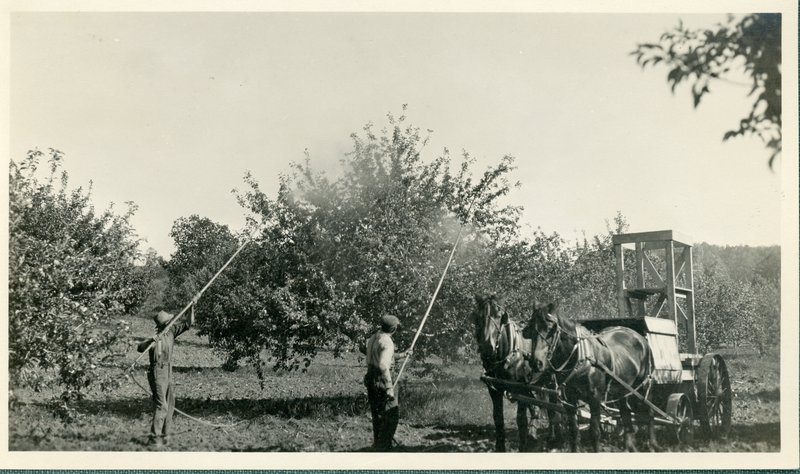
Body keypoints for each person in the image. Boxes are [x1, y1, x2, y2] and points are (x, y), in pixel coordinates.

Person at [137, 306, 195, 447]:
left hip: (168, 370)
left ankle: (165, 436)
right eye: (170, 321)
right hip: (157, 372)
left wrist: (192, 307)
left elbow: (188, 324)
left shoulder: (171, 333)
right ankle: (154, 439)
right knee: (161, 405)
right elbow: (139, 348)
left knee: (170, 405)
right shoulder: (156, 339)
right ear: (165, 324)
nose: (172, 322)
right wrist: (151, 340)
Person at [364, 314, 404, 451]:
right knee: (391, 413)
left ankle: (378, 444)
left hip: (371, 377)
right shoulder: (387, 342)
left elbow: (379, 356)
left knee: (378, 414)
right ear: (393, 328)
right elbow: (383, 364)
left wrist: (402, 355)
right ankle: (384, 447)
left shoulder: (374, 337)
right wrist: (389, 387)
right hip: (382, 379)